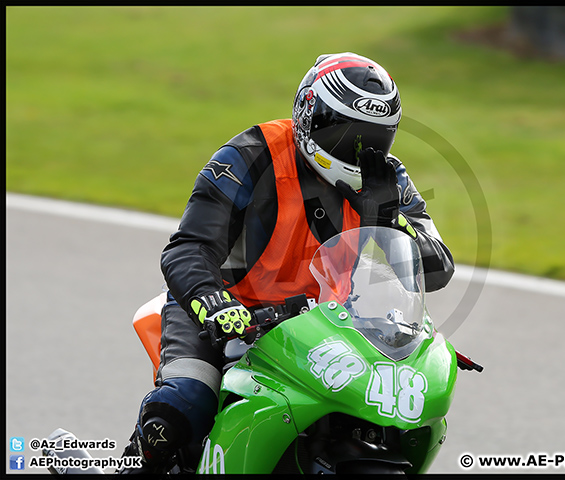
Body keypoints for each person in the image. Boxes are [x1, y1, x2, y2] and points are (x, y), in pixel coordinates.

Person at [118, 52, 455, 474]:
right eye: (346, 135)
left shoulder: (387, 179)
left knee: (389, 423)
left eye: (374, 139)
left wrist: (387, 219)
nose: (359, 151)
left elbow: (439, 265)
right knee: (184, 404)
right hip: (229, 315)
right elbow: (188, 249)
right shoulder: (247, 155)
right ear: (308, 115)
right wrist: (214, 305)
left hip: (325, 329)